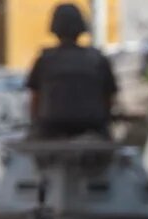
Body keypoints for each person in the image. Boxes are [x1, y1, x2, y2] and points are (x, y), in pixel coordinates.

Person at [24, 3, 117, 140]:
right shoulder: (98, 60)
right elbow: (108, 99)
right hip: (94, 130)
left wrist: (35, 125)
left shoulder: (45, 60)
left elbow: (35, 100)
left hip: (49, 132)